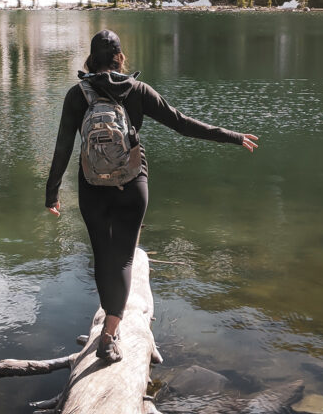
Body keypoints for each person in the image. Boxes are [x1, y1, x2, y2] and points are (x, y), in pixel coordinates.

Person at [45, 29, 259, 363]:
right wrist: (231, 136)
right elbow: (181, 123)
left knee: (103, 257)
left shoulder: (77, 95)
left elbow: (63, 146)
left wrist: (52, 193)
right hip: (132, 182)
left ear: (90, 59)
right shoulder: (137, 90)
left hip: (91, 185)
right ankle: (110, 334)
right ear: (120, 58)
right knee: (126, 258)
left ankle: (107, 326)